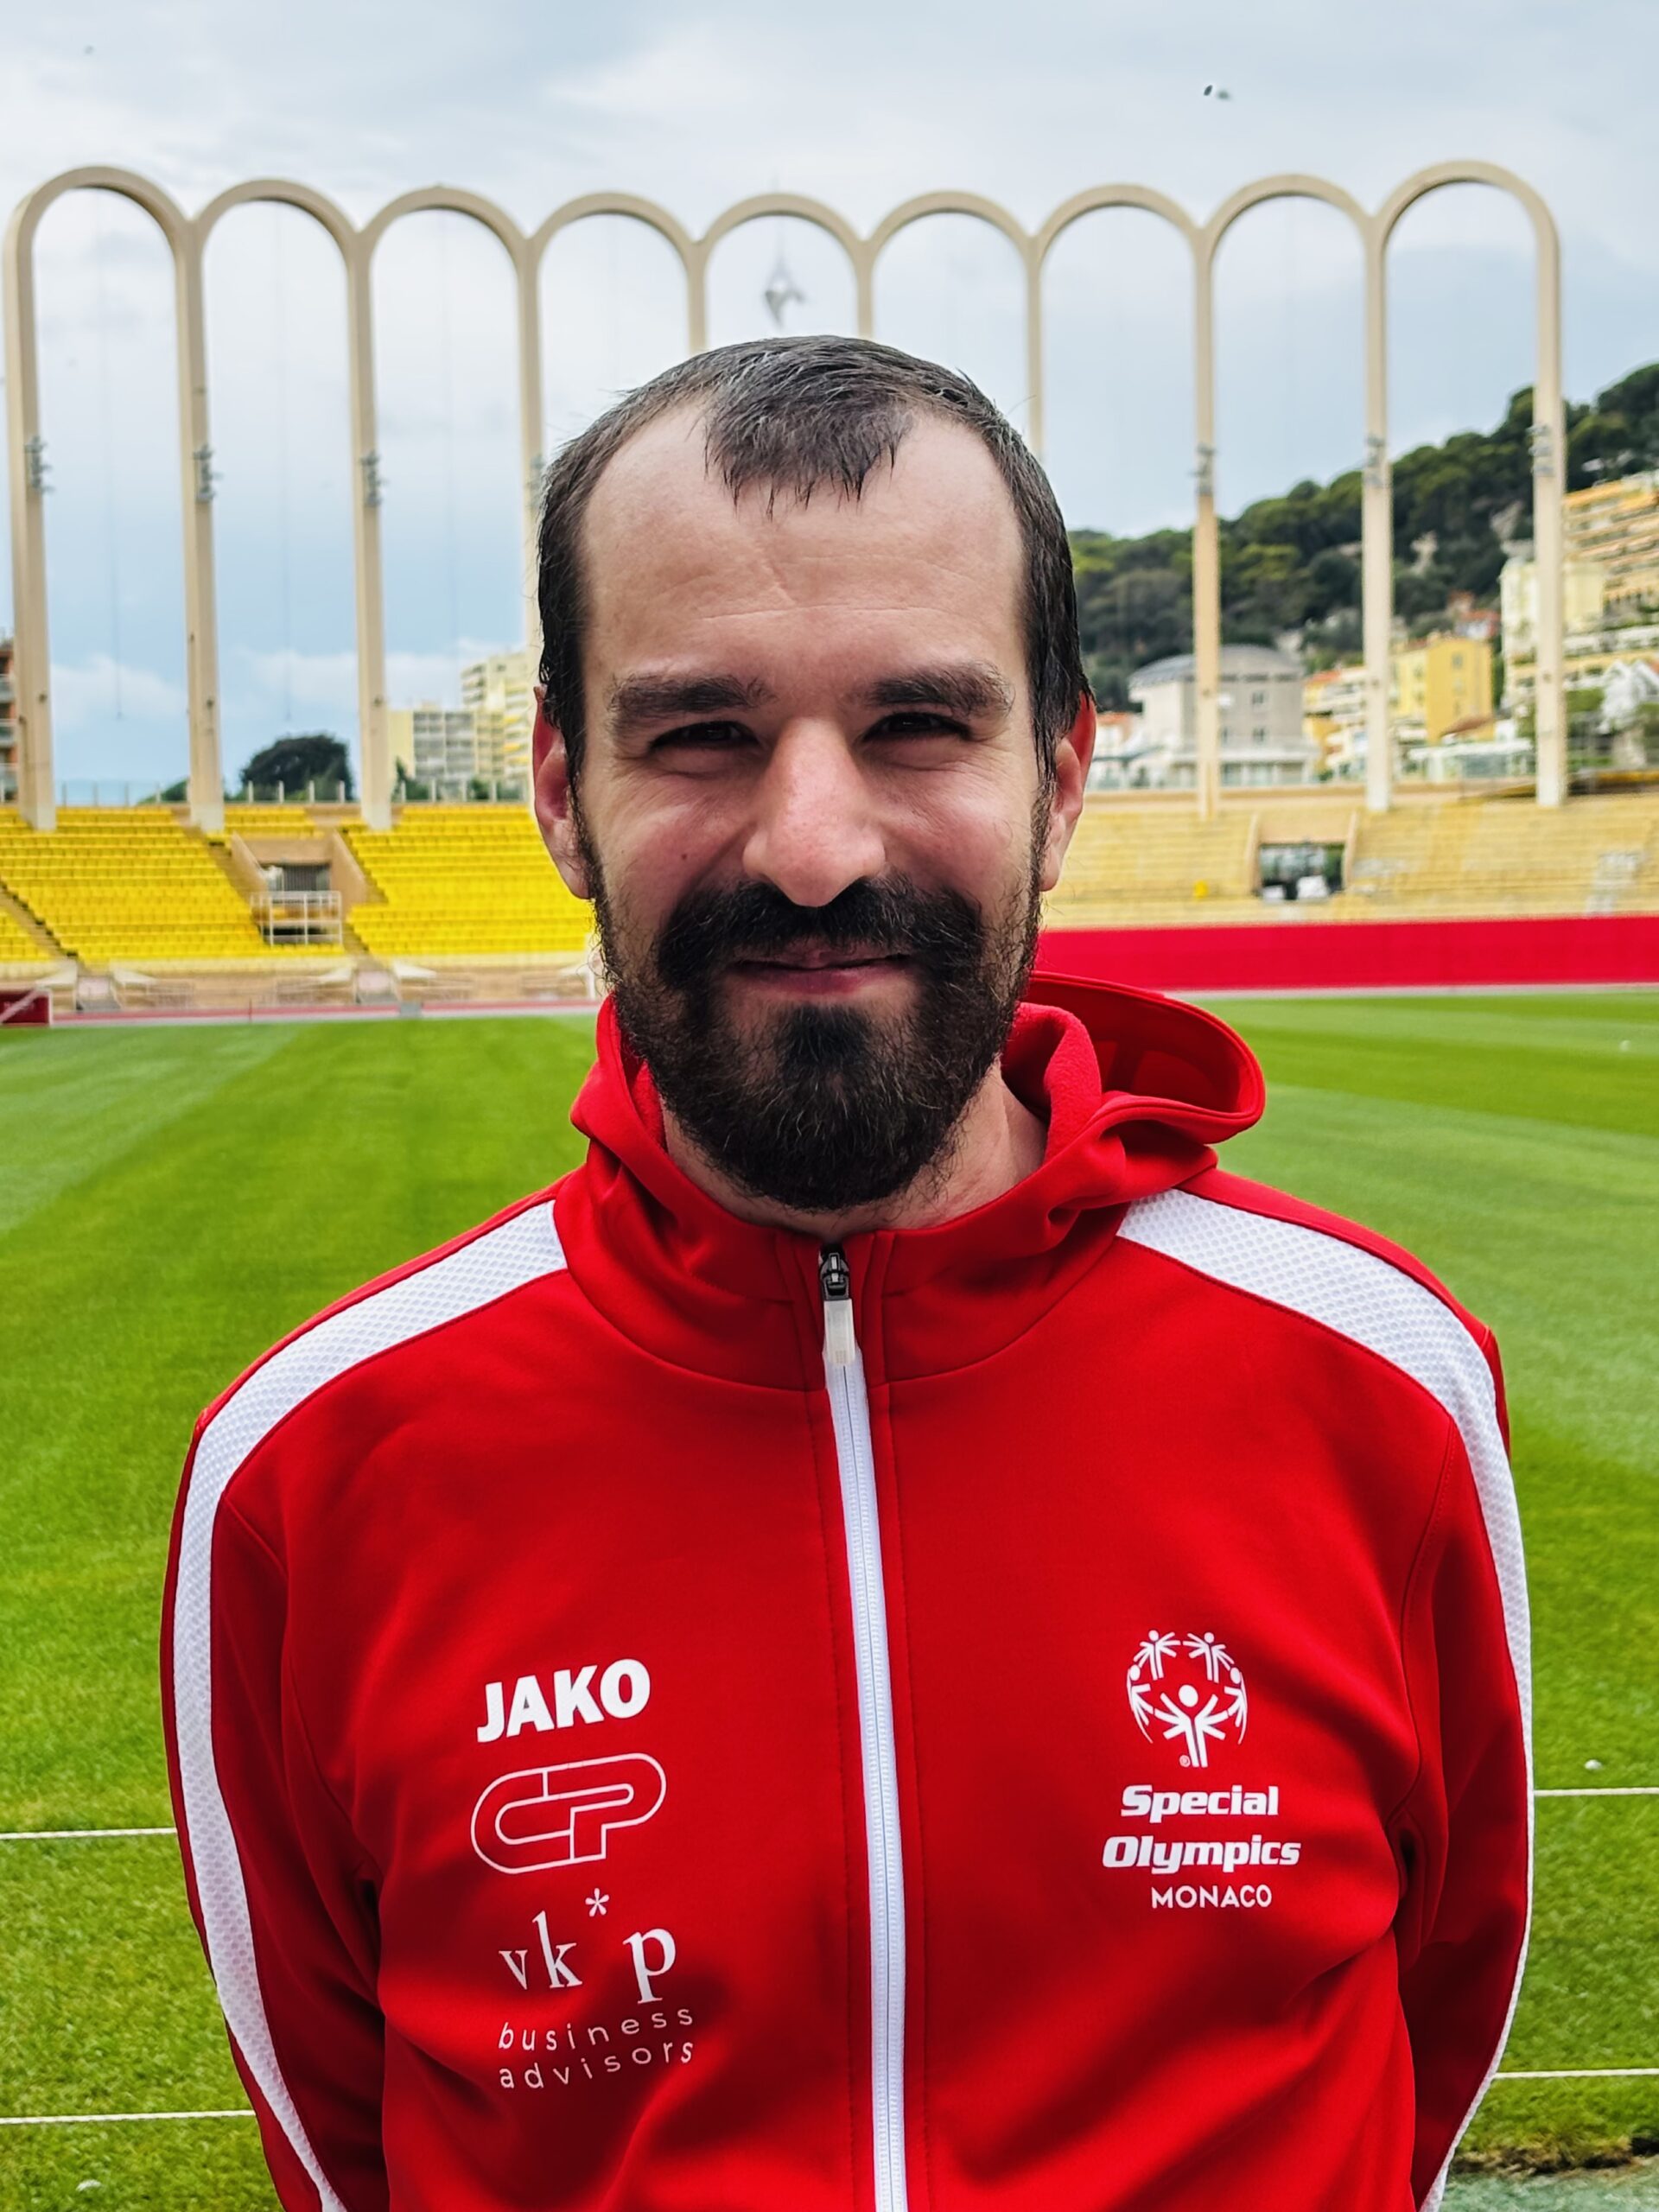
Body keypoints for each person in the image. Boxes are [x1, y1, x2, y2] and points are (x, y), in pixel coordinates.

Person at [162, 337, 1529, 2212]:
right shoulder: (312, 1469)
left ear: (1062, 775)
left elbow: (1434, 2032)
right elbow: (347, 2150)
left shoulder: (1377, 1380)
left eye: (916, 726)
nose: (813, 851)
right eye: (701, 735)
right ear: (559, 787)